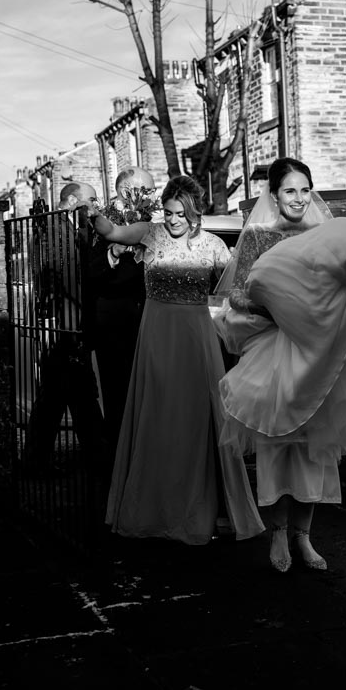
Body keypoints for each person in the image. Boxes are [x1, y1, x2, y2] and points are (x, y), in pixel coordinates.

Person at [218, 159, 346, 573]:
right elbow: (238, 293)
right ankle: (278, 533)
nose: (298, 198)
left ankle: (304, 535)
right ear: (274, 195)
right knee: (278, 442)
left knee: (316, 446)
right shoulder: (258, 235)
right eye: (289, 191)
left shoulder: (324, 233)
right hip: (275, 348)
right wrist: (277, 308)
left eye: (305, 190)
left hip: (322, 353)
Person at [89, 175, 263, 545]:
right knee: (157, 414)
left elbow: (241, 284)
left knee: (196, 416)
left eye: (180, 214)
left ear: (195, 212)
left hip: (195, 337)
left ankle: (201, 506)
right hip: (157, 335)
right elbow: (112, 232)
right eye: (168, 212)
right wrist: (91, 214)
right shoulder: (149, 234)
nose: (173, 220)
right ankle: (153, 507)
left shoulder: (214, 245)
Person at [23, 181, 107, 475]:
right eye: (91, 199)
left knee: (61, 396)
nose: (95, 205)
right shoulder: (54, 229)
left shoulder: (65, 228)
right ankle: (97, 461)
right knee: (69, 395)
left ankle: (40, 461)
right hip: (64, 325)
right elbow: (64, 277)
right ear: (72, 201)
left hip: (67, 324)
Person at [86, 167, 156, 438]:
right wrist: (114, 252)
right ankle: (118, 453)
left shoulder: (151, 223)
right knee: (118, 395)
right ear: (127, 191)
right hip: (114, 324)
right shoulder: (101, 221)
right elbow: (89, 272)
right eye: (148, 190)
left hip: (148, 320)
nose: (152, 196)